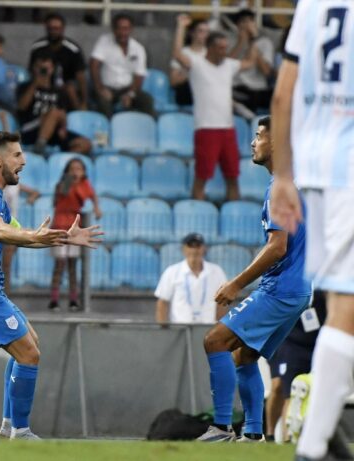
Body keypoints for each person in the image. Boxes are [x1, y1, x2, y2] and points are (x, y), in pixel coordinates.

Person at [0, 131, 102, 440]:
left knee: (29, 344)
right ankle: (20, 432)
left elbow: (22, 236)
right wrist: (33, 236)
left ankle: (9, 427)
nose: (23, 160)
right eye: (17, 155)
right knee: (29, 354)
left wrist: (64, 237)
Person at [269, 1, 354, 459]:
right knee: (345, 310)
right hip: (350, 172)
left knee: (341, 305)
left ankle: (326, 425)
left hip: (315, 167)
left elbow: (283, 94)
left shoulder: (313, 5)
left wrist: (283, 175)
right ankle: (314, 445)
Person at [196, 116, 311, 443]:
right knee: (244, 356)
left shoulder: (280, 188)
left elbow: (277, 246)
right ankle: (254, 434)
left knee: (215, 341)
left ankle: (221, 428)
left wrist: (237, 283)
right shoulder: (291, 183)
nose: (253, 142)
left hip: (282, 288)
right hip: (297, 290)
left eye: (259, 136)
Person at [172, 15, 257, 201]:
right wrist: (181, 27)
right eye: (220, 48)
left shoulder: (229, 65)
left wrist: (251, 38)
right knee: (201, 178)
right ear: (210, 48)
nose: (224, 52)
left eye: (225, 48)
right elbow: (178, 55)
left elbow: (251, 61)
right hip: (206, 128)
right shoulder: (197, 63)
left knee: (232, 177)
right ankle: (198, 212)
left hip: (228, 129)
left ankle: (233, 212)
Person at [265, 290, 326, 443]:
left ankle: (308, 437)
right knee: (281, 388)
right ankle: (276, 437)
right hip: (287, 340)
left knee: (307, 390)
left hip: (317, 343)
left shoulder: (328, 282)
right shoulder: (291, 281)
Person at [48, 157, 101, 312]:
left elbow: (92, 195)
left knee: (72, 265)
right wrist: (72, 181)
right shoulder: (63, 184)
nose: (75, 172)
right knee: (60, 264)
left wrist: (97, 207)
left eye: (79, 169)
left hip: (75, 227)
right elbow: (63, 193)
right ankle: (54, 299)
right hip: (60, 226)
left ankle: (73, 300)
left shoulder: (85, 184)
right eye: (72, 169)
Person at [17, 53, 91, 156]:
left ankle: (58, 160)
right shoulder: (25, 86)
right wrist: (35, 84)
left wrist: (63, 127)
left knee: (85, 144)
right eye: (40, 68)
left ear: (52, 69)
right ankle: (39, 149)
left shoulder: (59, 92)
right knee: (53, 112)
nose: (43, 71)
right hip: (30, 130)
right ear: (34, 68)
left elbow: (63, 113)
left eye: (46, 68)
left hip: (54, 130)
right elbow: (21, 107)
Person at [89, 13, 154, 118]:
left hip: (127, 89)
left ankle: (148, 126)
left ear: (131, 29)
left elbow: (139, 75)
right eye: (119, 28)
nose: (122, 32)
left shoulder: (138, 48)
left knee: (147, 100)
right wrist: (100, 88)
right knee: (103, 101)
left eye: (126, 29)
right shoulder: (104, 41)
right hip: (107, 87)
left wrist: (130, 94)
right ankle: (108, 128)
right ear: (114, 29)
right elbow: (94, 65)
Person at [154, 233, 228, 324]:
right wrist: (164, 328)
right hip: (180, 327)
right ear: (183, 249)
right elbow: (163, 302)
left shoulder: (216, 271)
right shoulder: (172, 272)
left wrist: (220, 326)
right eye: (190, 246)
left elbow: (222, 303)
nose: (194, 250)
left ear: (204, 248)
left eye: (198, 246)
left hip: (208, 327)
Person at [28, 13, 88, 110]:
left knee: (70, 88)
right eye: (50, 28)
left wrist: (84, 101)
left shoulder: (73, 49)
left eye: (56, 28)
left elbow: (80, 76)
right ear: (46, 28)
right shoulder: (37, 47)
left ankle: (80, 113)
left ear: (63, 29)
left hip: (66, 86)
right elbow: (32, 70)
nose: (53, 32)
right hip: (43, 83)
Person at [230, 9, 275, 113]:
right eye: (243, 22)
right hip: (237, 87)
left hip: (257, 89)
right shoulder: (230, 41)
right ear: (237, 25)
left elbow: (266, 71)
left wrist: (253, 40)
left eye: (250, 21)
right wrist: (241, 42)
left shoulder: (265, 42)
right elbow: (225, 64)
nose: (247, 25)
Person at [168, 19, 208, 106]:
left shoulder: (210, 54)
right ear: (192, 33)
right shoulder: (184, 53)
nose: (204, 35)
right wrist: (188, 72)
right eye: (201, 31)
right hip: (187, 94)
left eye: (206, 32)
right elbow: (173, 82)